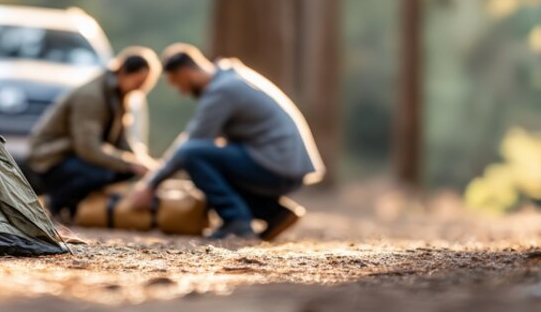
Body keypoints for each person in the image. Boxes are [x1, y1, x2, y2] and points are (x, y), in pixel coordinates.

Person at [129, 44, 324, 240]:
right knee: (210, 161)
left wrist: (151, 184)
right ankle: (273, 213)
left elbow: (190, 144)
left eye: (179, 83)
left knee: (193, 154)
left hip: (277, 162)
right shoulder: (230, 77)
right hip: (283, 162)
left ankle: (236, 221)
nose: (182, 92)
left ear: (186, 72)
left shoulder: (222, 90)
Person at [29, 47, 161, 221]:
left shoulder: (119, 95)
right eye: (138, 83)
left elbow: (122, 141)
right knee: (104, 173)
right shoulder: (92, 96)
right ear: (123, 72)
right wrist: (129, 163)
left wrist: (143, 163)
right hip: (51, 158)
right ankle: (57, 203)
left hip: (76, 155)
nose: (141, 89)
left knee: (127, 170)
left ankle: (76, 205)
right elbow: (88, 148)